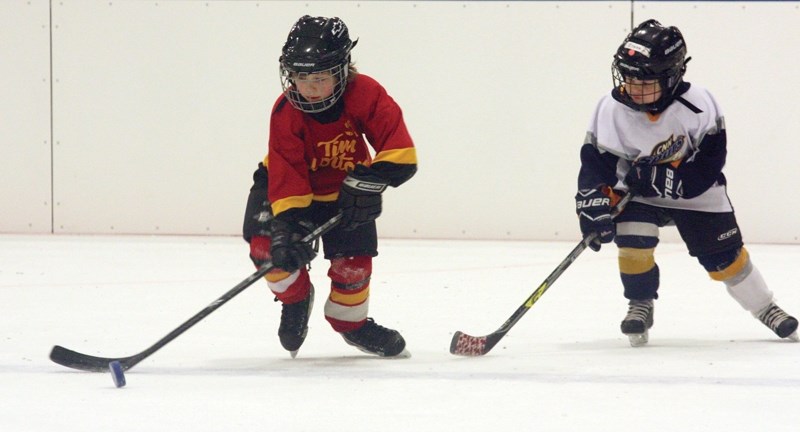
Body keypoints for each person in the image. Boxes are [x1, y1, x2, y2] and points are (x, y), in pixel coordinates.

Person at [574, 19, 798, 346]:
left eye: (645, 80)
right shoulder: (610, 108)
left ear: (673, 75)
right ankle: (640, 303)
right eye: (629, 77)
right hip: (640, 195)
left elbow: (707, 166)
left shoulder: (700, 104)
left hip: (697, 196)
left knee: (725, 259)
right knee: (632, 240)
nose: (634, 87)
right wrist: (592, 202)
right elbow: (596, 162)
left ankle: (766, 307)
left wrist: (664, 178)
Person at [242, 15, 417, 357]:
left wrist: (372, 180)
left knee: (353, 266)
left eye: (319, 78)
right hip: (284, 187)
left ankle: (351, 324)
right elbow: (286, 171)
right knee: (269, 251)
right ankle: (295, 298)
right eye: (300, 77)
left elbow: (400, 150)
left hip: (347, 189)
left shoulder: (365, 93)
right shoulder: (285, 112)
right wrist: (287, 227)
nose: (307, 87)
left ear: (341, 71)